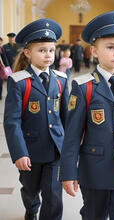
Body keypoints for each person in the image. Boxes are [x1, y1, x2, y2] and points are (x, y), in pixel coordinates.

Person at [59, 11, 114, 220]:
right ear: (94, 51)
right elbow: (72, 135)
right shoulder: (83, 87)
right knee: (93, 215)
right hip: (95, 170)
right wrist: (68, 172)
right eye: (110, 47)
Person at [3, 18, 69, 220]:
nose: (48, 55)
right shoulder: (19, 81)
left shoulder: (61, 79)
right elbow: (12, 121)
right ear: (28, 53)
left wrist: (71, 150)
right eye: (42, 50)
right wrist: (19, 153)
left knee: (54, 195)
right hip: (30, 150)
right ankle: (31, 210)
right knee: (31, 190)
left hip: (56, 149)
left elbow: (67, 117)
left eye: (51, 50)